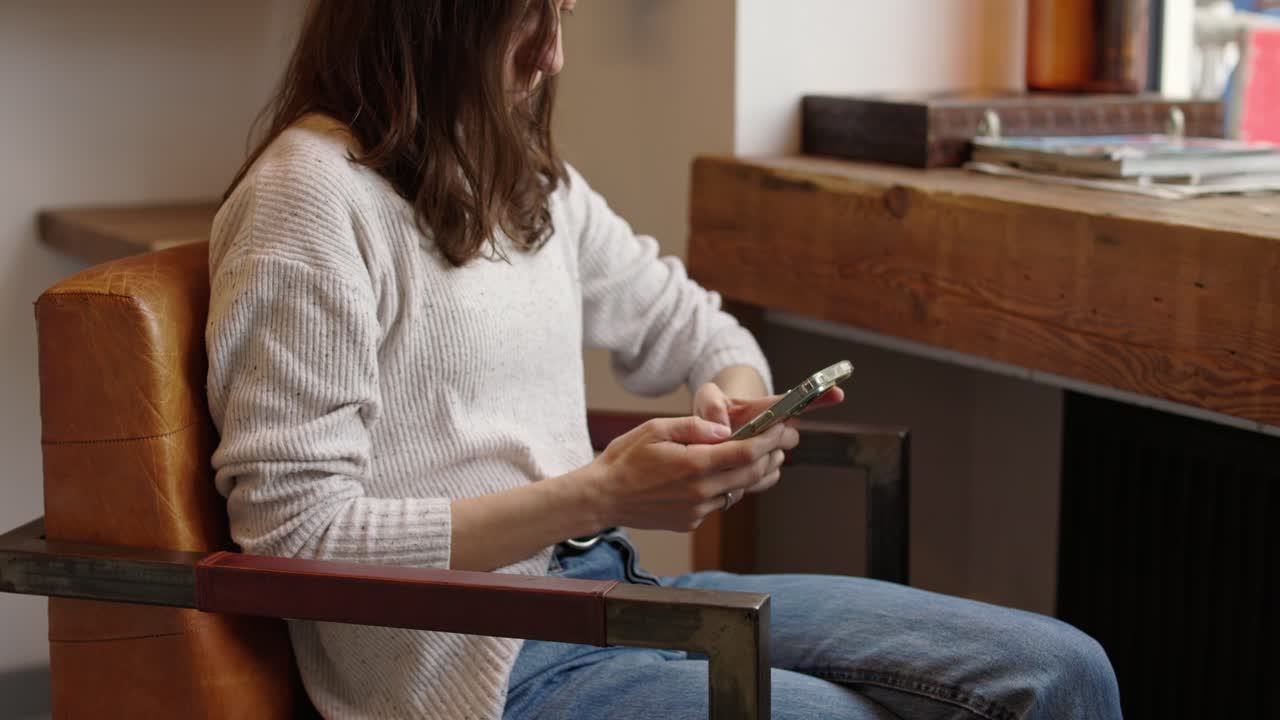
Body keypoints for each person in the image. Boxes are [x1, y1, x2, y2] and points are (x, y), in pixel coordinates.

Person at [205, 1, 1124, 718]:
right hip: (469, 673)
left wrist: (735, 415)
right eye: (526, 19)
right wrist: (598, 494)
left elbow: (707, 334)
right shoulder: (308, 198)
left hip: (613, 592)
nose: (552, 57)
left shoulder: (522, 180)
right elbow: (295, 538)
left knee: (1061, 669)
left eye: (562, 16)